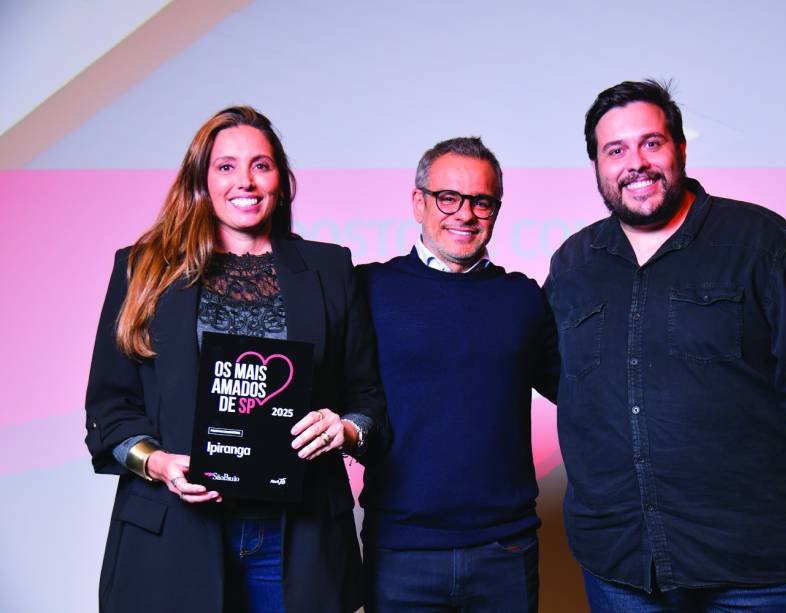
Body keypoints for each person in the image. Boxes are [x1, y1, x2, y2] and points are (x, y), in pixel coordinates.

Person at [543, 80, 786, 611]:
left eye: (651, 143)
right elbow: (559, 372)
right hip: (624, 569)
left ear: (679, 148)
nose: (636, 162)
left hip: (763, 572)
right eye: (616, 150)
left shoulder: (760, 242)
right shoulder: (573, 264)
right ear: (597, 166)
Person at [84, 106, 388, 613]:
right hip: (174, 536)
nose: (244, 181)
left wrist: (347, 430)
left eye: (261, 165)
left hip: (298, 536)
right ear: (201, 178)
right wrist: (156, 463)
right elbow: (110, 406)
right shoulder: (143, 268)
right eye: (226, 166)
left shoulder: (330, 268)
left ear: (281, 180)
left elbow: (368, 398)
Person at [356, 137, 559, 612]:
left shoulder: (522, 297)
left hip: (505, 549)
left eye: (481, 201)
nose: (464, 214)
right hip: (401, 550)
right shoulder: (368, 289)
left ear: (496, 209)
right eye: (448, 197)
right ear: (418, 202)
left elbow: (582, 391)